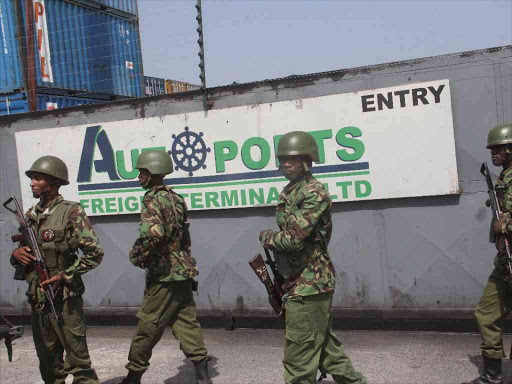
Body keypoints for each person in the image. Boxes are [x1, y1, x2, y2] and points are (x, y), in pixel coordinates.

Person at [259, 131, 367, 384]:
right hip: (301, 282)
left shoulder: (313, 192)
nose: (286, 163)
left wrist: (268, 237)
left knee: (299, 357)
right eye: (283, 158)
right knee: (327, 351)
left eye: (293, 159)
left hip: (310, 283)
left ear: (307, 161)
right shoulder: (292, 190)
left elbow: (295, 238)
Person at [121, 150, 212, 384]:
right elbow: (185, 238)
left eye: (142, 172)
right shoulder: (176, 198)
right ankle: (203, 376)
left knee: (148, 325)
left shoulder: (152, 198)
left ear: (152, 173)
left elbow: (154, 234)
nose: (139, 177)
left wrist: (137, 255)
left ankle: (132, 377)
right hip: (182, 271)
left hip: (163, 275)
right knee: (186, 322)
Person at [11, 155, 103, 384]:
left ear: (53, 183)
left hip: (64, 299)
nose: (32, 182)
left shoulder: (71, 212)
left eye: (38, 178)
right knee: (49, 363)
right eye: (32, 178)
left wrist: (64, 275)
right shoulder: (30, 216)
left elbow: (95, 254)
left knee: (78, 362)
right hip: (38, 298)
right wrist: (15, 255)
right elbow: (25, 254)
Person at [475, 122, 512, 384]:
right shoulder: (503, 178)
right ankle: (492, 375)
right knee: (486, 313)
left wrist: (507, 224)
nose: (493, 153)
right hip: (505, 260)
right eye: (492, 149)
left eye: (498, 148)